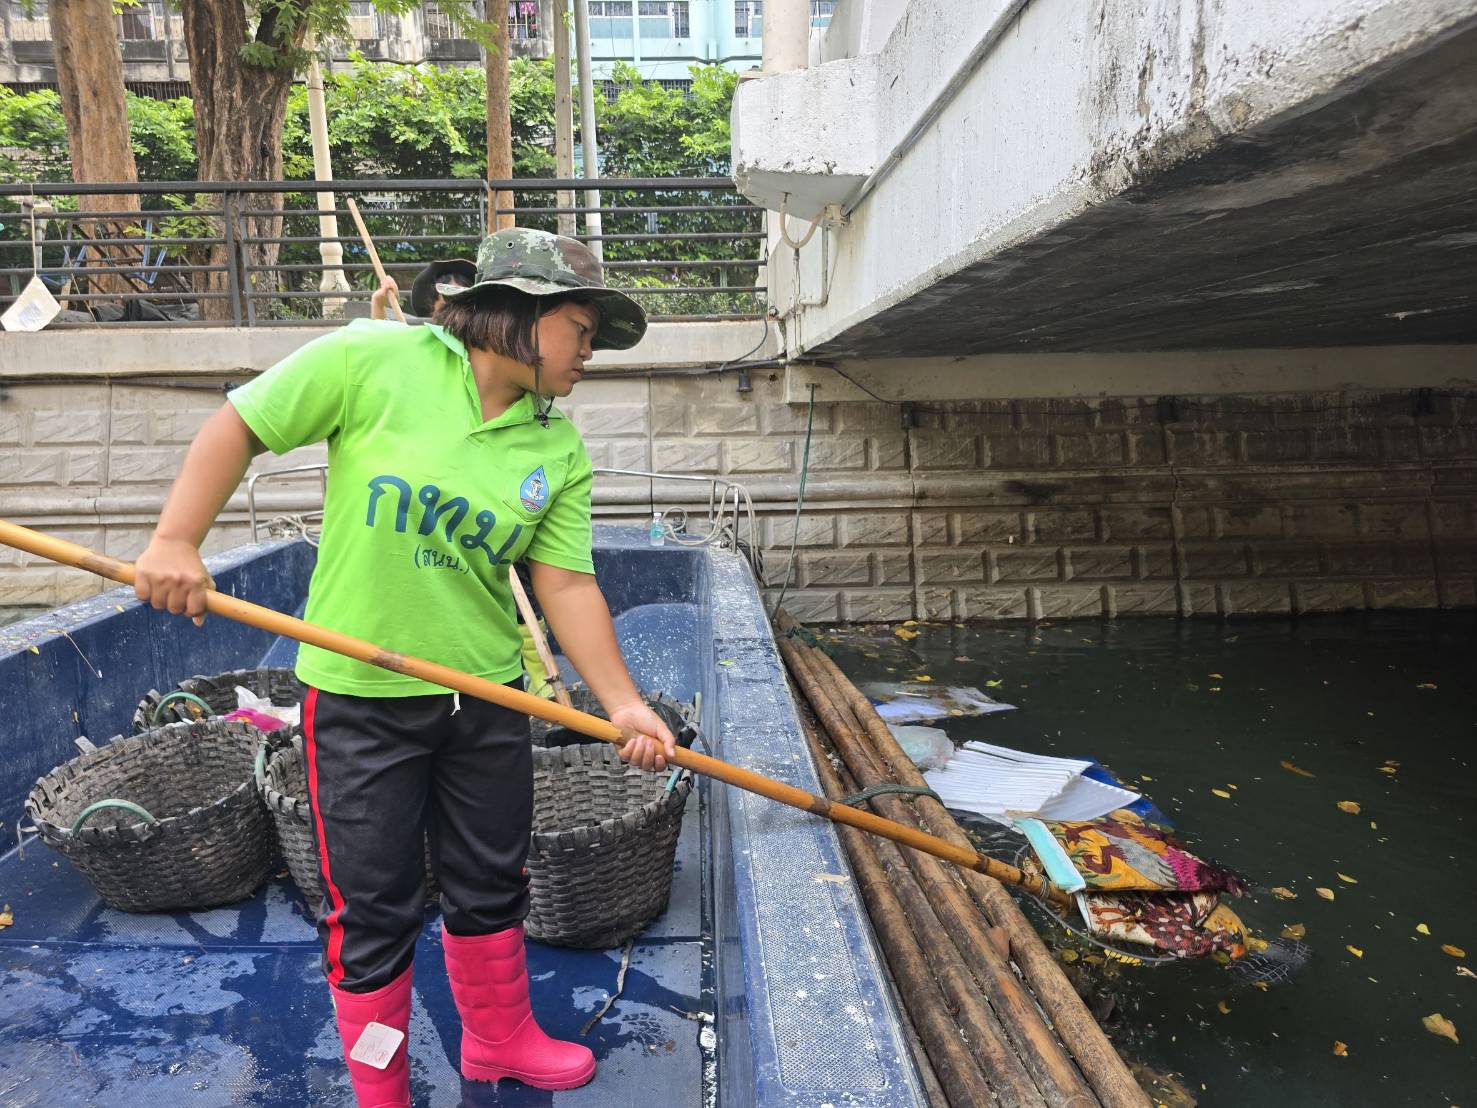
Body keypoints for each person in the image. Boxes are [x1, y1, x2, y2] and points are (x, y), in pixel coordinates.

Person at [132, 228, 675, 1105]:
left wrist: (623, 703)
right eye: (582, 330)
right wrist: (174, 540)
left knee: (491, 879)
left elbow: (566, 583)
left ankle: (496, 1041)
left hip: (484, 698)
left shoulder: (554, 449)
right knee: (373, 904)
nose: (589, 353)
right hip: (361, 701)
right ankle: (380, 1088)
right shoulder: (370, 359)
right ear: (519, 313)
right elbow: (241, 424)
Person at [370, 257, 478, 322]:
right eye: (446, 307)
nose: (454, 316)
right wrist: (378, 303)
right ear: (433, 310)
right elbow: (382, 342)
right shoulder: (422, 343)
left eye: (461, 306)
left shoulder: (481, 343)